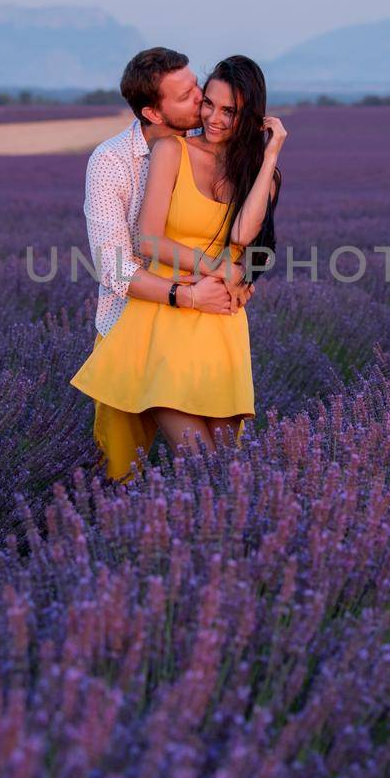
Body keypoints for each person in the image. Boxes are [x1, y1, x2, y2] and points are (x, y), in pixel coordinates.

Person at [71, 53, 285, 474]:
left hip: (219, 326)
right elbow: (125, 259)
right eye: (197, 99)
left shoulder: (253, 171)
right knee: (127, 470)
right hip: (146, 320)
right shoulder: (118, 161)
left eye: (203, 95)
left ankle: (208, 538)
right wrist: (204, 282)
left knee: (226, 469)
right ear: (154, 111)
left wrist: (271, 153)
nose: (205, 108)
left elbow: (247, 240)